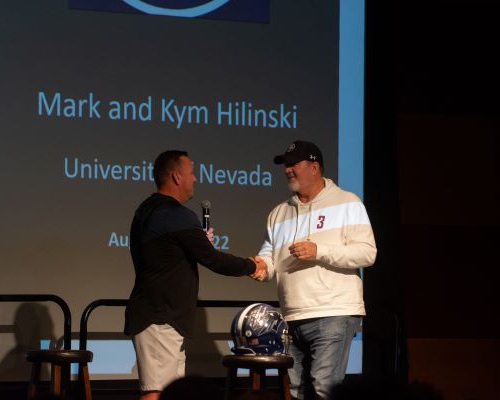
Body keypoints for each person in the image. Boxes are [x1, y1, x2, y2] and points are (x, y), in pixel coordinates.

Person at [124, 150, 266, 400]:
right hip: (160, 317)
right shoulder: (176, 215)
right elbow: (214, 260)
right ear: (177, 177)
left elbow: (169, 252)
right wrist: (252, 266)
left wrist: (194, 241)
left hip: (161, 316)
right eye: (192, 172)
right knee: (156, 394)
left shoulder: (146, 209)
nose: (196, 178)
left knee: (172, 394)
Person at [253, 140, 377, 399]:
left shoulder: (347, 203)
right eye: (285, 166)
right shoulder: (279, 213)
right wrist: (262, 266)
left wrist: (319, 251)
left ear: (314, 167)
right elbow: (270, 255)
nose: (287, 170)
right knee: (295, 392)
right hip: (292, 316)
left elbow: (367, 252)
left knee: (324, 390)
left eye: (293, 165)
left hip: (333, 313)